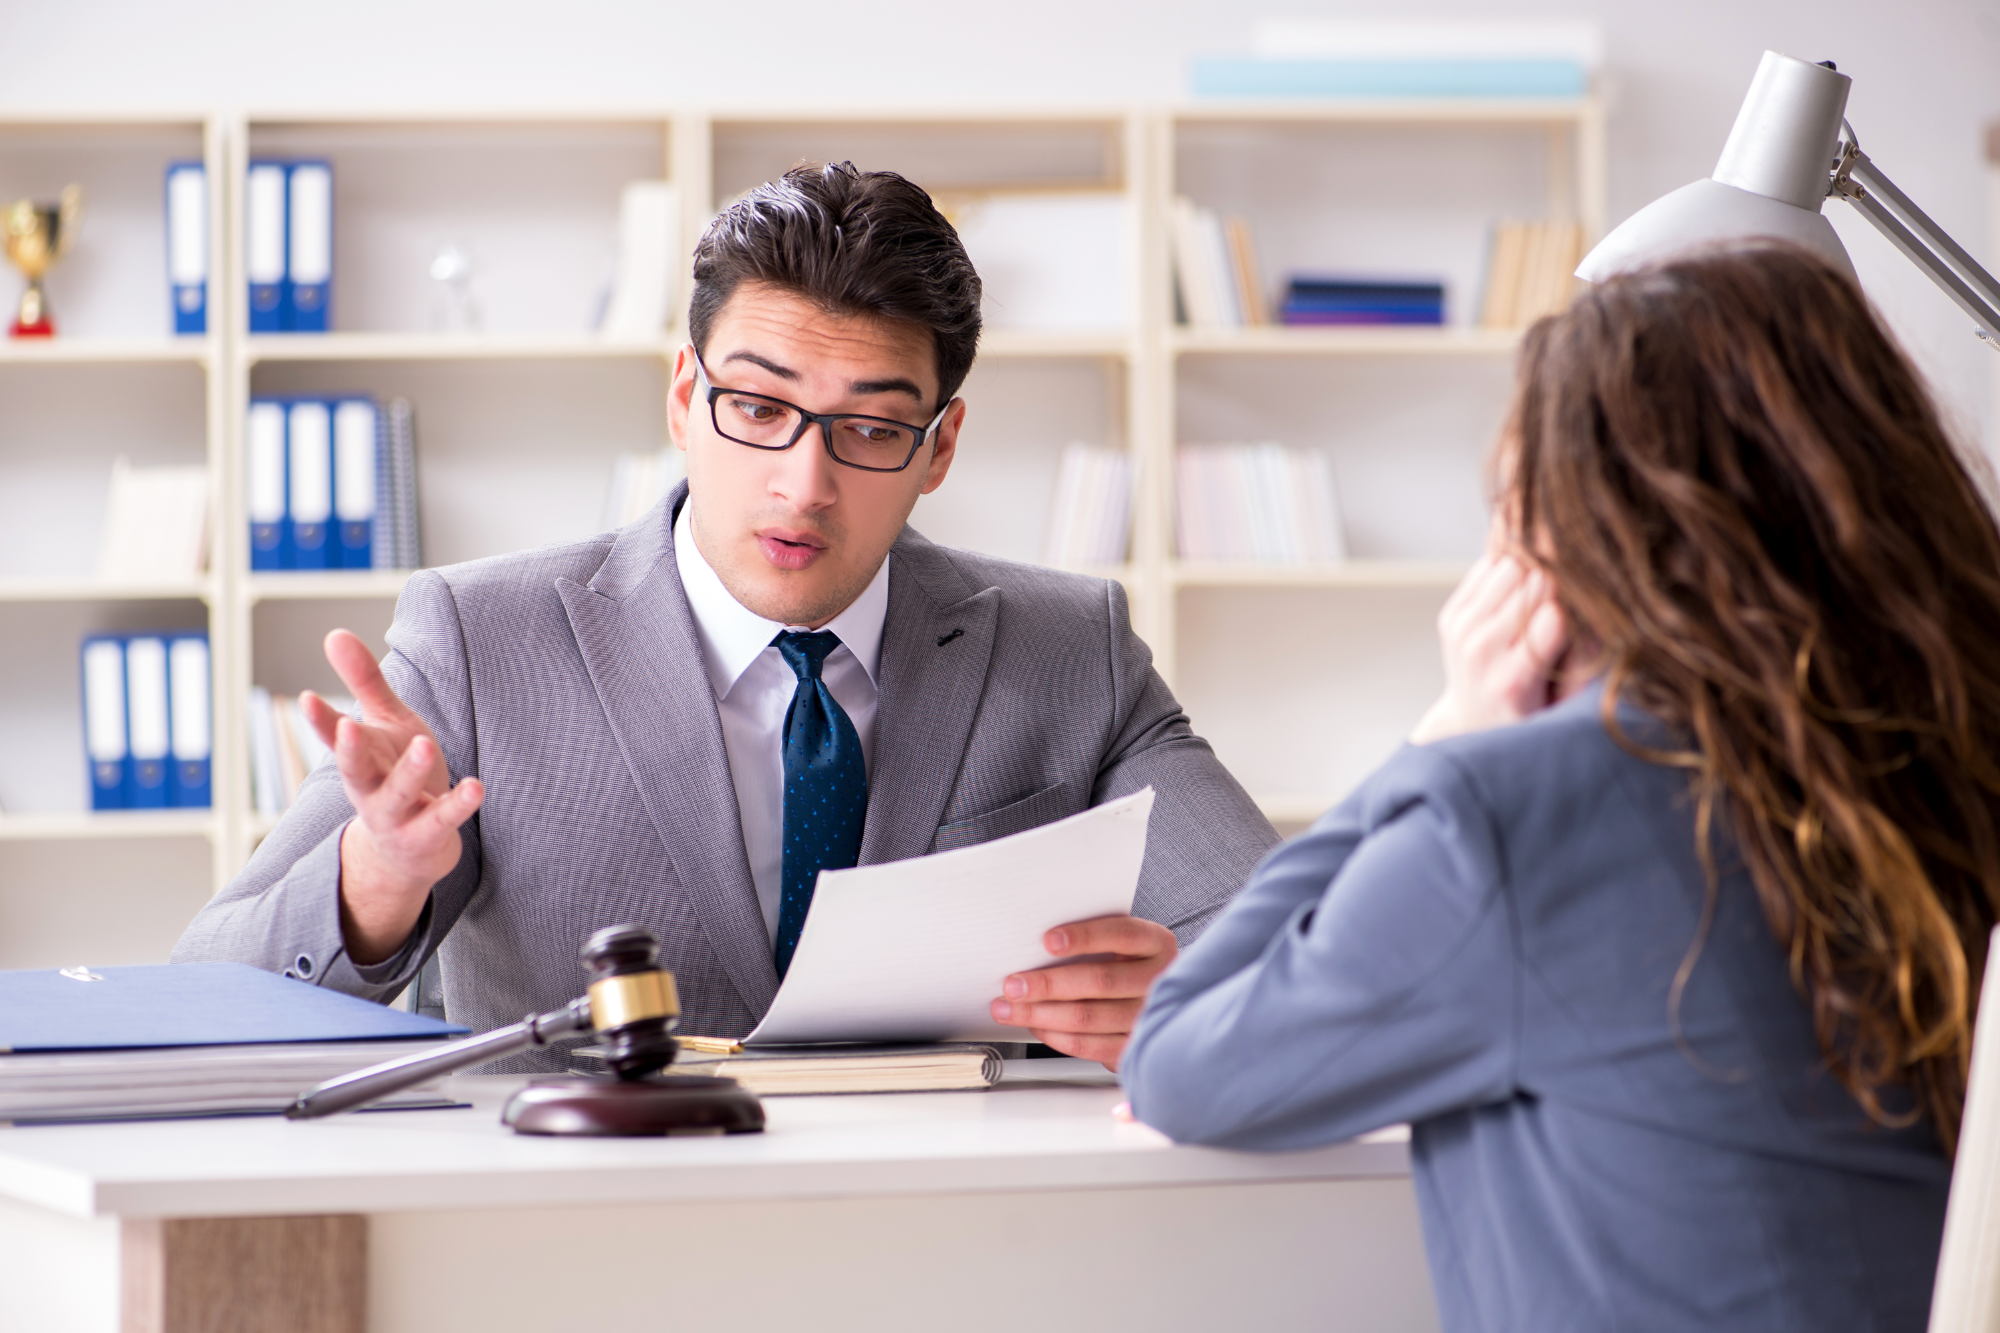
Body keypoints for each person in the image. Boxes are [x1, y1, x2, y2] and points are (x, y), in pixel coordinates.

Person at [175, 162, 1276, 1069]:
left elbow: (1276, 938)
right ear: (683, 401)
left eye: (871, 429)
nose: (804, 484)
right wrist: (377, 880)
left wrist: (1190, 993)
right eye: (757, 407)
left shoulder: (1067, 646)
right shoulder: (480, 638)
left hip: (951, 1243)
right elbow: (204, 991)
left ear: (938, 447)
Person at [1121, 243, 1999, 1330]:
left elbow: (1177, 1059)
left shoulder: (1516, 809)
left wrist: (1440, 737)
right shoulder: (1948, 744)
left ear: (1552, 541)